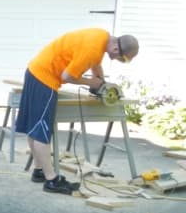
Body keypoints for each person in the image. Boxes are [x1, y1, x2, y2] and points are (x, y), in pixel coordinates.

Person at [15, 28, 139, 195]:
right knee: (41, 131)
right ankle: (51, 180)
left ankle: (39, 171)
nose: (117, 60)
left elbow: (96, 63)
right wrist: (91, 83)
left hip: (35, 71)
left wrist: (102, 82)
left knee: (34, 126)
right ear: (116, 50)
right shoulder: (93, 49)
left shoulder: (101, 36)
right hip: (45, 78)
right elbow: (67, 76)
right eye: (120, 59)